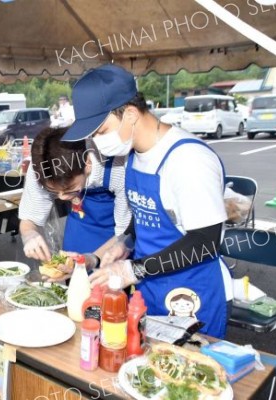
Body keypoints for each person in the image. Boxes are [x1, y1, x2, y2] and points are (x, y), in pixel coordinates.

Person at [62, 64, 232, 338]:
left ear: (130, 113)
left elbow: (206, 242)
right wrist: (124, 244)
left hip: (191, 295)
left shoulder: (188, 160)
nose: (96, 141)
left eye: (101, 130)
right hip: (149, 290)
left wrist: (133, 269)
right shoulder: (133, 156)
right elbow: (142, 217)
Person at [19, 128, 130, 262]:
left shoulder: (117, 164)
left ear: (87, 164)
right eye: (54, 191)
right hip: (78, 230)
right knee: (72, 270)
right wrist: (29, 235)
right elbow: (29, 219)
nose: (62, 198)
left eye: (69, 189)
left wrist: (92, 260)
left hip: (115, 239)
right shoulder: (42, 167)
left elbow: (126, 232)